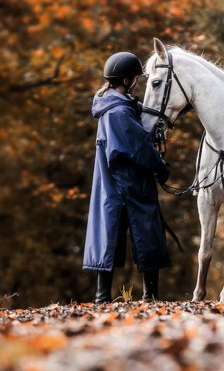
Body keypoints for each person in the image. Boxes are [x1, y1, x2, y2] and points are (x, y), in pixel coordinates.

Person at [83, 51, 171, 303]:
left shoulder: (118, 106)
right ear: (125, 80)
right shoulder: (118, 113)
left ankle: (106, 298)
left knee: (110, 235)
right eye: (135, 78)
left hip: (117, 184)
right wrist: (161, 167)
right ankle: (144, 297)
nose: (138, 82)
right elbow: (139, 148)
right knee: (143, 232)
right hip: (127, 184)